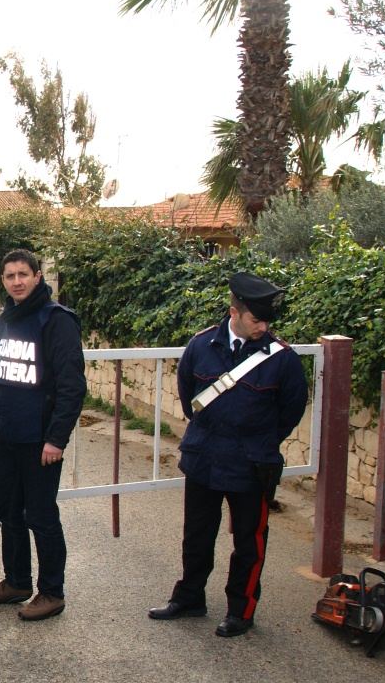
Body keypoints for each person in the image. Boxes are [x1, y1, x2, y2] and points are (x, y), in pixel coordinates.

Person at [148, 272, 308, 638]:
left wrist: (259, 440)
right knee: (197, 535)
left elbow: (291, 410)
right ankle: (189, 598)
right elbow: (190, 394)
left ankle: (241, 609)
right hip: (204, 456)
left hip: (252, 463)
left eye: (267, 321)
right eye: (256, 320)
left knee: (249, 542)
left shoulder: (281, 358)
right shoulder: (201, 345)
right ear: (234, 312)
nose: (263, 326)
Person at [0, 249, 86, 622]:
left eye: (23, 274)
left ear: (38, 276)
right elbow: (1, 377)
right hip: (8, 436)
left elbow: (72, 388)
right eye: (10, 276)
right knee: (9, 512)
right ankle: (17, 582)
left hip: (40, 441)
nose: (17, 282)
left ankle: (51, 592)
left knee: (40, 516)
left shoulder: (57, 321)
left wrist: (56, 439)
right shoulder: (4, 320)